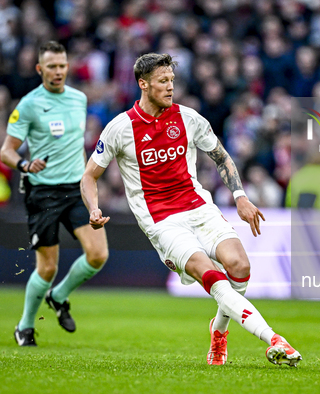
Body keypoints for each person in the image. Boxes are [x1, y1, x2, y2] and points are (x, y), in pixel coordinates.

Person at [80, 53, 302, 366]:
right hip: (162, 221)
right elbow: (90, 175)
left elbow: (221, 156)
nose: (170, 87)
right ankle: (273, 338)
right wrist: (93, 206)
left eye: (172, 80)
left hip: (199, 207)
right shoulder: (120, 128)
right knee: (210, 275)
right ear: (143, 84)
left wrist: (239, 195)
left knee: (240, 266)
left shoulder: (189, 118)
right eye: (162, 82)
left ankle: (219, 330)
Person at [0, 41, 109, 347]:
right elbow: (6, 151)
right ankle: (24, 326)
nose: (58, 71)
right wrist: (24, 163)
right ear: (40, 69)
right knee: (47, 268)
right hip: (43, 193)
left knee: (98, 254)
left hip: (75, 188)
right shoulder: (29, 104)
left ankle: (58, 296)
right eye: (52, 66)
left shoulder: (79, 99)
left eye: (62, 65)